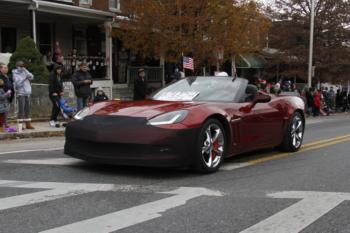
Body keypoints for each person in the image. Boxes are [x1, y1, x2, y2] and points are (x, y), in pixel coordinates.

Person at [12, 61, 35, 129]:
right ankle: (20, 125)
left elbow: (32, 77)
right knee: (21, 109)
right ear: (17, 66)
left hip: (27, 92)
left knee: (28, 109)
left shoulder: (25, 70)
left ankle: (28, 124)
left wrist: (27, 73)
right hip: (21, 93)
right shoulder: (15, 73)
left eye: (23, 66)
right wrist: (24, 78)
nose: (22, 67)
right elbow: (18, 84)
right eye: (21, 66)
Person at [0, 63, 14, 128]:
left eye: (7, 68)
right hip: (2, 96)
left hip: (8, 96)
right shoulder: (0, 77)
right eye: (4, 68)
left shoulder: (8, 77)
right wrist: (6, 93)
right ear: (0, 69)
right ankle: (2, 125)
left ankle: (5, 123)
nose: (6, 69)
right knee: (2, 112)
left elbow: (11, 86)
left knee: (6, 111)